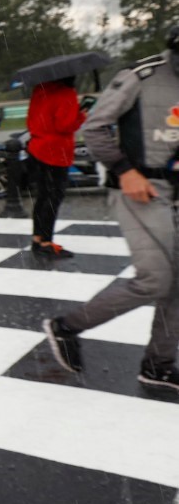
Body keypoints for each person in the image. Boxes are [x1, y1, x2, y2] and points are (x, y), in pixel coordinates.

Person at [43, 26, 179, 392]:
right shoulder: (140, 75)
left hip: (174, 189)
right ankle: (66, 327)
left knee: (176, 283)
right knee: (155, 278)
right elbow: (96, 128)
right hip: (138, 189)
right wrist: (126, 171)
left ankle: (159, 364)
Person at [24, 77, 86, 258]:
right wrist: (81, 115)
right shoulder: (67, 93)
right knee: (53, 198)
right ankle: (46, 242)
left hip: (37, 148)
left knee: (43, 196)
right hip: (56, 152)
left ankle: (37, 239)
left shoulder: (40, 90)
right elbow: (64, 125)